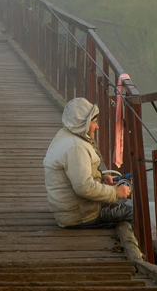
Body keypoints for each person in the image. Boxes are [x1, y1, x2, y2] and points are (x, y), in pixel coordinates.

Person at [43, 97, 133, 228]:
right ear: (83, 124)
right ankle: (140, 247)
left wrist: (101, 178)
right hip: (79, 216)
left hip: (70, 211)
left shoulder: (65, 136)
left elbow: (78, 175)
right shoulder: (76, 147)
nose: (97, 126)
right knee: (134, 212)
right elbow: (84, 187)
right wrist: (115, 192)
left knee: (125, 205)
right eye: (94, 122)